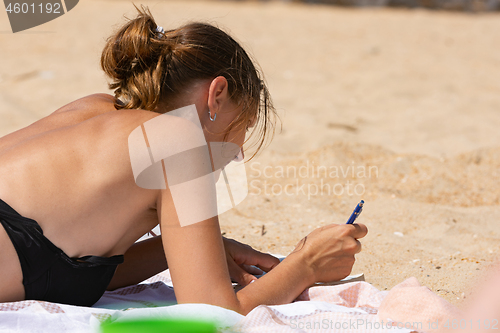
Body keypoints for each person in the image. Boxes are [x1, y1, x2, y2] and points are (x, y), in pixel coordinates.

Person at [0, 5, 367, 315]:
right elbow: (213, 313)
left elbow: (58, 261)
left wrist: (173, 249)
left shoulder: (92, 109)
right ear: (217, 96)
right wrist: (306, 265)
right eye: (244, 125)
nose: (237, 152)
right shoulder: (178, 139)